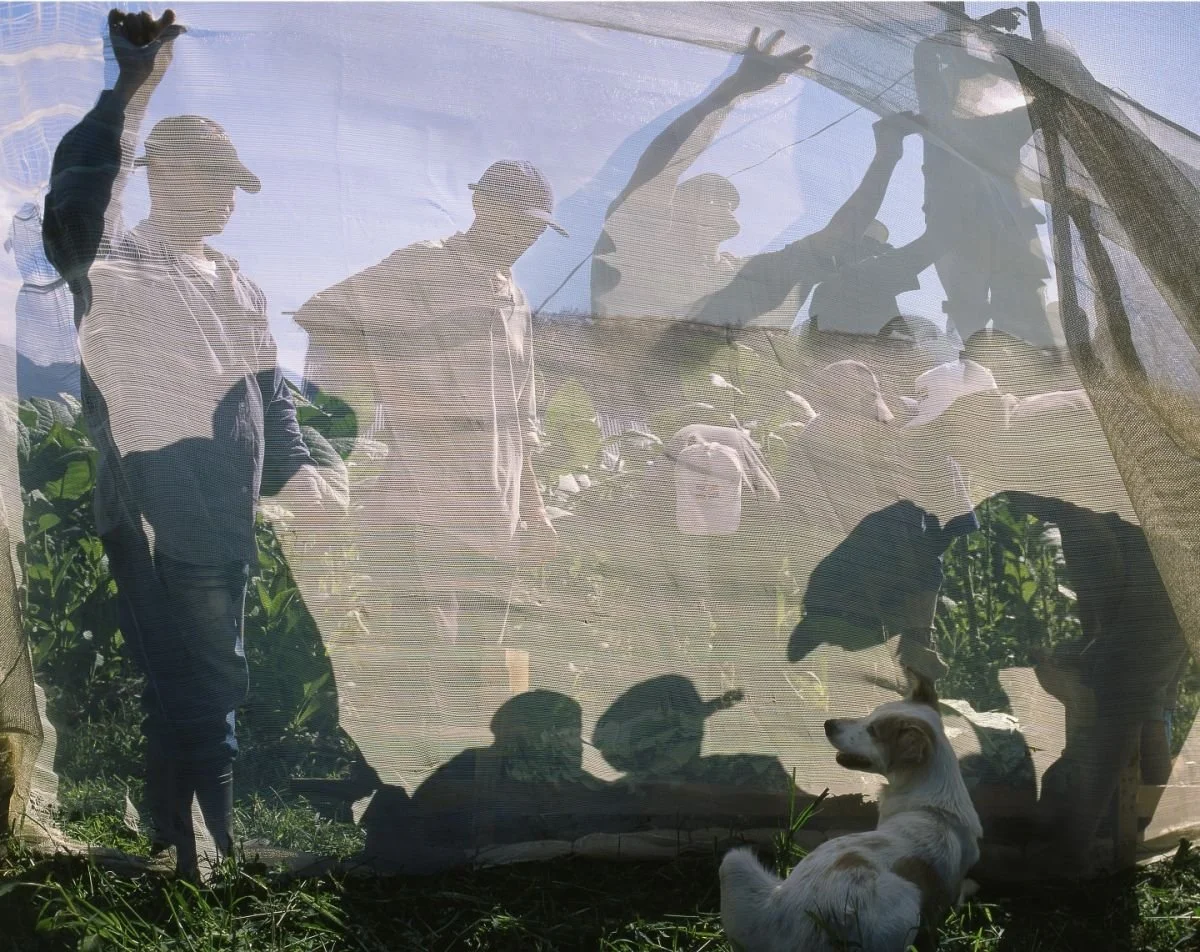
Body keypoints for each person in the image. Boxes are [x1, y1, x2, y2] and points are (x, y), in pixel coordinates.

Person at [41, 9, 340, 877]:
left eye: (232, 182)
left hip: (223, 515)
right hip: (155, 509)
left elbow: (268, 397)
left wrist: (300, 468)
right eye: (208, 177)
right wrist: (130, 94)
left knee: (197, 680)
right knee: (205, 687)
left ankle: (178, 841)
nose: (224, 195)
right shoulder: (121, 265)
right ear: (158, 174)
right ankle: (205, 853)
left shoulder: (237, 280)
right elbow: (79, 204)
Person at [292, 159, 565, 827]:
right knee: (418, 657)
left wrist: (533, 512)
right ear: (478, 205)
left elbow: (522, 421)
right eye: (512, 217)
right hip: (421, 503)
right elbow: (328, 314)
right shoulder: (425, 265)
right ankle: (389, 793)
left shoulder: (514, 297)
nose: (523, 235)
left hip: (495, 512)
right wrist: (398, 396)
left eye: (534, 227)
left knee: (476, 660)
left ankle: (453, 798)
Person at [905, 358, 1189, 873]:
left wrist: (1104, 636)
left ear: (984, 409)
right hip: (1162, 547)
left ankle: (1069, 859)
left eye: (952, 424)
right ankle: (1136, 830)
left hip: (1180, 550)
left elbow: (1108, 535)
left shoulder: (1032, 438)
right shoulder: (1019, 437)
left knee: (1118, 693)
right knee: (1139, 692)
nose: (948, 441)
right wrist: (1100, 628)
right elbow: (1097, 528)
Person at [591, 28, 920, 334]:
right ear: (673, 208)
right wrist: (732, 90)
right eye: (706, 196)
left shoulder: (745, 275)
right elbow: (662, 165)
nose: (722, 203)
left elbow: (838, 236)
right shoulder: (638, 250)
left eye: (726, 200)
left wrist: (887, 154)